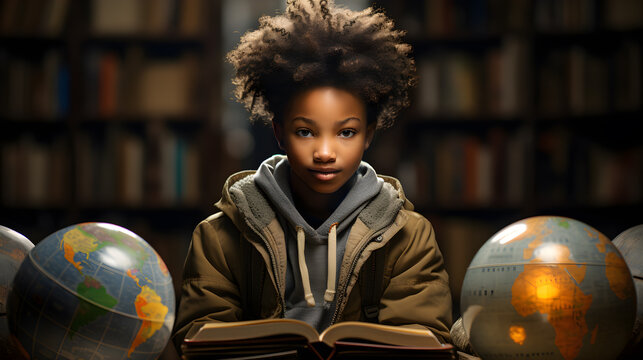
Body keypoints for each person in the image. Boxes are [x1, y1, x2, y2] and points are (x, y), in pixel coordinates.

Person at [172, 0, 452, 351]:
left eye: (346, 132)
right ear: (279, 132)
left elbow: (422, 342)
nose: (324, 152)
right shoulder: (219, 235)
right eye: (306, 132)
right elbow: (199, 341)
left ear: (369, 134)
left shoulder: (408, 236)